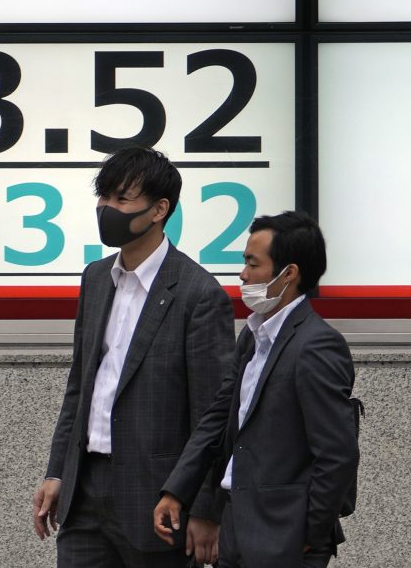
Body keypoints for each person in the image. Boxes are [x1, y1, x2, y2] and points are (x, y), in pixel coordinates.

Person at [33, 147, 235, 568]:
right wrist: (57, 472)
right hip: (84, 489)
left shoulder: (198, 294)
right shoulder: (95, 278)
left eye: (121, 199)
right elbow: (80, 387)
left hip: (158, 499)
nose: (108, 209)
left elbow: (213, 415)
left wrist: (203, 507)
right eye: (104, 198)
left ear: (160, 209)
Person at [154, 211, 359, 567]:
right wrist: (177, 490)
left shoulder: (317, 345)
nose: (243, 274)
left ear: (289, 273)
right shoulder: (253, 336)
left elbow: (337, 454)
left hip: (286, 539)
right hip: (236, 530)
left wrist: (308, 534)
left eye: (253, 263)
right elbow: (217, 418)